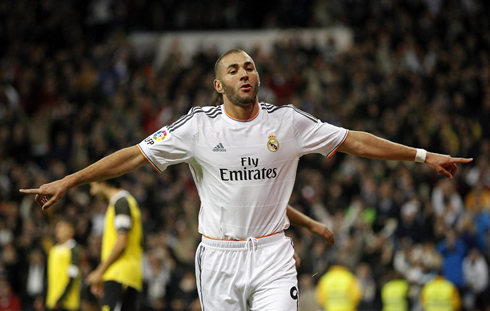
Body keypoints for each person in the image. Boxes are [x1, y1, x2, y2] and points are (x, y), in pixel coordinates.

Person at [20, 48, 472, 310]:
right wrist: (70, 180)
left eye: (249, 67)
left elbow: (354, 141)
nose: (244, 73)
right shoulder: (196, 128)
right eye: (233, 69)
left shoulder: (288, 123)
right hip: (218, 258)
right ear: (219, 86)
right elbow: (133, 157)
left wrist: (423, 155)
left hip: (274, 254)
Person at [85, 179, 143, 311]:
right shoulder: (122, 203)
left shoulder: (121, 202)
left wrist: (100, 271)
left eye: (93, 186)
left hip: (120, 274)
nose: (92, 192)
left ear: (103, 182)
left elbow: (122, 241)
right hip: (125, 275)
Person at [46, 219, 81, 311]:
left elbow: (73, 276)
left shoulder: (73, 250)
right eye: (57, 227)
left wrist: (61, 299)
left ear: (71, 230)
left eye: (62, 227)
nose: (58, 230)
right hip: (52, 301)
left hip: (67, 304)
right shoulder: (53, 250)